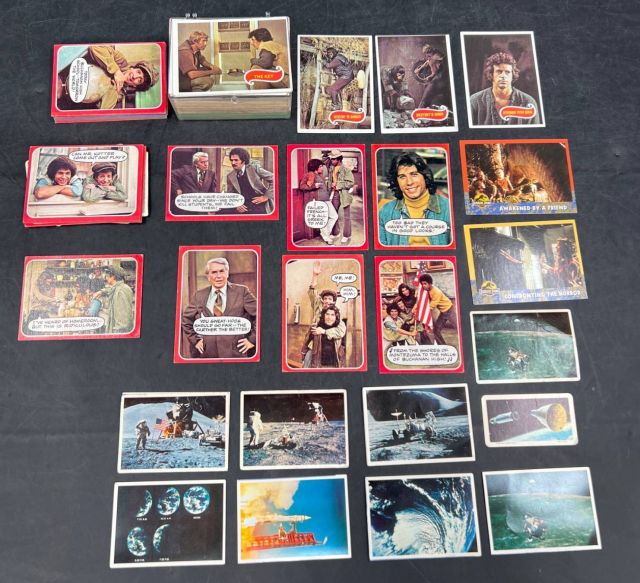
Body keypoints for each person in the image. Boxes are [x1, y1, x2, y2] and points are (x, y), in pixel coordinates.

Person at [181, 257, 257, 359]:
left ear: (227, 273)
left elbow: (260, 315)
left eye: (222, 271)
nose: (218, 276)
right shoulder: (199, 295)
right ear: (208, 276)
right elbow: (186, 319)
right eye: (214, 272)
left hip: (235, 354)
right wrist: (196, 340)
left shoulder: (242, 292)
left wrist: (252, 340)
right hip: (208, 354)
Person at [379, 151, 451, 247]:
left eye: (414, 174)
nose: (409, 182)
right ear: (397, 181)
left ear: (425, 176)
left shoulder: (448, 209)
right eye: (402, 177)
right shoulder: (385, 212)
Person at [469, 51, 541, 125]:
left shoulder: (528, 102)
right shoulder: (475, 101)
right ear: (491, 74)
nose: (503, 76)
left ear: (513, 75)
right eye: (499, 72)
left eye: (507, 72)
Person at [83, 45, 158, 109]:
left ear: (135, 85)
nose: (135, 76)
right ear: (133, 68)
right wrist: (116, 71)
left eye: (139, 80)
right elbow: (95, 47)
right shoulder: (120, 60)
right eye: (138, 72)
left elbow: (102, 110)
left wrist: (115, 89)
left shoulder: (118, 94)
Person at [298, 158, 338, 244]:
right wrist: (314, 186)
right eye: (320, 166)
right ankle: (326, 237)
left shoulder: (320, 175)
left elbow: (323, 188)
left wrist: (331, 187)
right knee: (323, 218)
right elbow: (302, 186)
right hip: (318, 200)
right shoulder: (308, 175)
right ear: (315, 167)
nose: (322, 168)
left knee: (334, 216)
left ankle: (325, 233)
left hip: (326, 199)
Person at [226, 148, 274, 214]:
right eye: (231, 160)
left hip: (260, 204)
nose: (233, 163)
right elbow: (231, 194)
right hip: (243, 206)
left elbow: (274, 178)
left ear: (243, 161)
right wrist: (236, 205)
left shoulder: (254, 168)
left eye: (236, 160)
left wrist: (266, 197)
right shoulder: (230, 176)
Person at [92, 266, 135, 334]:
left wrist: (116, 335)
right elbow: (111, 289)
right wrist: (101, 292)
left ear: (113, 277)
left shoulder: (120, 291)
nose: (106, 278)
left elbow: (122, 322)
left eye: (107, 275)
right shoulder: (119, 287)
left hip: (119, 332)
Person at [417, 274, 456, 346]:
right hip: (443, 312)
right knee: (436, 331)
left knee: (459, 327)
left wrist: (421, 314)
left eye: (425, 284)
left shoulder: (436, 292)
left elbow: (432, 305)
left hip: (449, 310)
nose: (423, 286)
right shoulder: (428, 290)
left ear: (430, 283)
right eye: (422, 284)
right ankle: (443, 346)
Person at [328, 150, 355, 244]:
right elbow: (331, 181)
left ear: (339, 159)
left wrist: (337, 184)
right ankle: (336, 233)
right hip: (335, 193)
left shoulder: (346, 169)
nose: (332, 161)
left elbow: (350, 183)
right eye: (331, 159)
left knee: (346, 216)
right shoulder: (331, 168)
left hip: (344, 194)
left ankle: (346, 235)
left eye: (333, 159)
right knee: (333, 214)